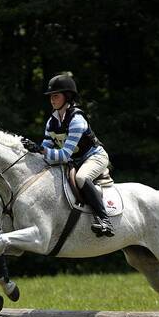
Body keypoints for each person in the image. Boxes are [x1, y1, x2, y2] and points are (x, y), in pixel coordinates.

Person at [22, 74, 114, 237]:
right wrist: (33, 151)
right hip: (75, 160)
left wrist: (41, 150)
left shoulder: (77, 120)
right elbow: (46, 151)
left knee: (81, 178)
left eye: (56, 96)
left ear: (68, 96)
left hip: (94, 157)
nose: (52, 99)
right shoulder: (52, 121)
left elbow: (63, 155)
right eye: (51, 96)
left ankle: (104, 219)